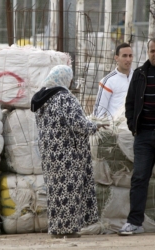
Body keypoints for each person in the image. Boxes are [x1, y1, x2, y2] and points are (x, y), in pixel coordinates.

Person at [31, 65, 107, 238]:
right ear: (64, 78)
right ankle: (69, 229)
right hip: (67, 153)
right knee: (69, 190)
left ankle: (57, 229)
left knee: (55, 191)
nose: (72, 81)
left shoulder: (41, 99)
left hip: (49, 153)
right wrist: (95, 126)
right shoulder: (64, 97)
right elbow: (77, 123)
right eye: (70, 78)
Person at [119, 37, 155, 236]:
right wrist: (132, 126)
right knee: (139, 179)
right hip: (143, 136)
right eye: (152, 51)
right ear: (148, 52)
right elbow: (129, 104)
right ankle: (134, 222)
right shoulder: (139, 74)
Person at [93, 43, 133, 118]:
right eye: (124, 56)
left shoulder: (138, 77)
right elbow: (99, 111)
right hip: (116, 128)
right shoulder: (108, 81)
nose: (128, 59)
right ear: (116, 58)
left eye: (130, 56)